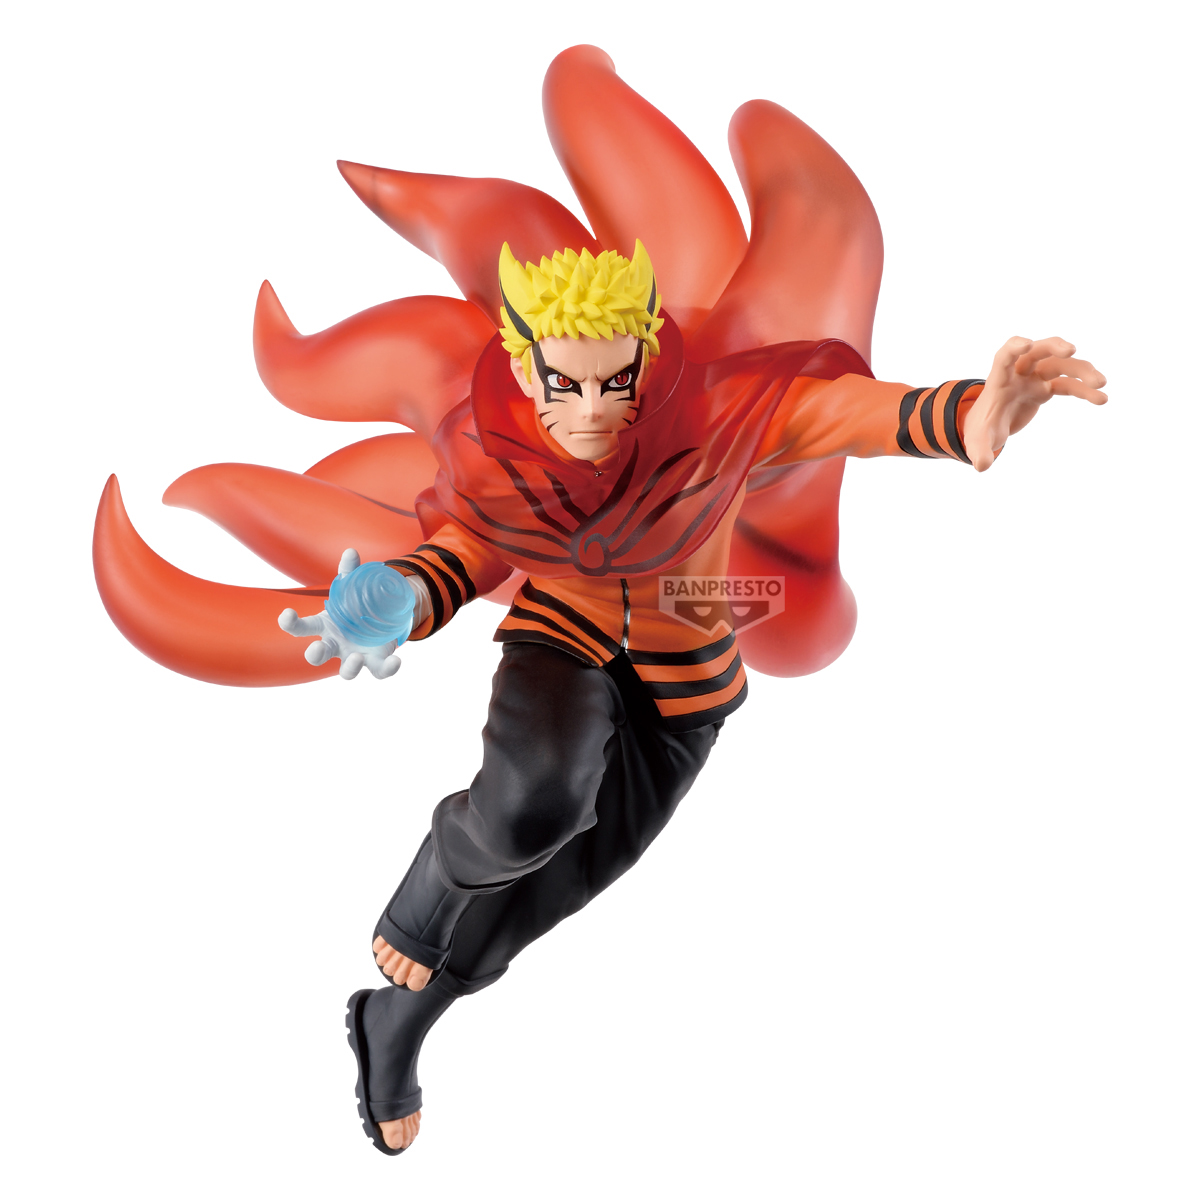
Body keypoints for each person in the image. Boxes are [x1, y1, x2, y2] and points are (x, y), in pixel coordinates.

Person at [278, 240, 1107, 1154]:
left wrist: (971, 416)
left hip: (687, 675)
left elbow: (840, 413)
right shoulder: (497, 444)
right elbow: (471, 545)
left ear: (644, 356)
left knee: (558, 884)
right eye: (564, 386)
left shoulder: (715, 415)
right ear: (524, 369)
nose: (591, 410)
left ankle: (397, 1022)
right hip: (562, 636)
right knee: (534, 806)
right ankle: (426, 896)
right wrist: (402, 595)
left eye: (614, 383)